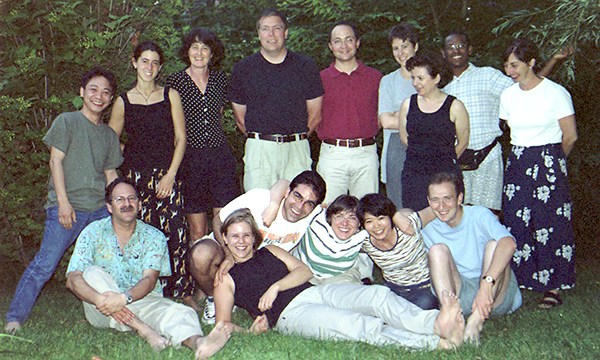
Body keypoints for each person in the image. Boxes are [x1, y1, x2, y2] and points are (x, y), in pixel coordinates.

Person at [213, 208, 466, 350]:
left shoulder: (269, 251)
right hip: (290, 315)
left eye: (246, 235)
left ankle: (435, 323)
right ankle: (431, 344)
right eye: (234, 236)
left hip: (316, 291)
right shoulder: (226, 278)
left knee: (377, 295)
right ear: (224, 238)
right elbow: (223, 323)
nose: (242, 242)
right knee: (355, 325)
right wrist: (249, 330)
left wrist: (276, 286)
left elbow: (304, 271)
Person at [4, 68, 123, 334]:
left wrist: (115, 207)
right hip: (68, 207)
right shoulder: (67, 121)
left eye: (106, 92)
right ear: (82, 92)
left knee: (111, 262)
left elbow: (111, 175)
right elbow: (55, 160)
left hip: (98, 210)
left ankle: (113, 312)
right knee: (45, 264)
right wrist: (63, 203)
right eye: (93, 89)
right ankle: (15, 318)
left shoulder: (108, 136)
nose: (98, 96)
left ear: (111, 99)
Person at [65, 178, 230, 359]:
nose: (127, 203)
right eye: (119, 199)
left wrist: (123, 299)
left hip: (142, 300)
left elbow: (150, 280)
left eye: (131, 198)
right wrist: (103, 300)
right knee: (91, 273)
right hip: (101, 308)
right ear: (109, 207)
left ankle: (199, 343)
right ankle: (145, 330)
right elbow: (73, 279)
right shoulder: (92, 232)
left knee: (182, 312)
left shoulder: (154, 236)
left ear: (139, 204)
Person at [440, 32, 571, 212]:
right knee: (456, 215)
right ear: (443, 52)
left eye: (461, 45)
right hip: (455, 160)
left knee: (487, 216)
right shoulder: (442, 86)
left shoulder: (488, 76)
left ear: (470, 49)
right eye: (450, 47)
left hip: (487, 159)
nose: (456, 50)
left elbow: (527, 87)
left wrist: (553, 61)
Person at [108, 41, 195, 305]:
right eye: (144, 61)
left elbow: (181, 138)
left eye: (155, 62)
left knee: (177, 233)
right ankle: (147, 292)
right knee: (143, 235)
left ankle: (182, 291)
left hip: (167, 175)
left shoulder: (170, 95)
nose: (150, 67)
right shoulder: (123, 101)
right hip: (135, 179)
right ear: (134, 63)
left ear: (160, 67)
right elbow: (109, 142)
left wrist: (170, 176)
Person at [188, 170, 326, 324]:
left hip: (257, 265)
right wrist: (227, 255)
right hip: (228, 247)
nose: (300, 207)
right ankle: (214, 297)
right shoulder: (260, 199)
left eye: (309, 203)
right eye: (297, 196)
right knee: (201, 254)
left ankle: (235, 301)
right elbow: (217, 221)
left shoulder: (314, 216)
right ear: (287, 192)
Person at [500, 38, 577, 309]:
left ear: (531, 62)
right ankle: (523, 280)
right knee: (516, 222)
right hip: (519, 161)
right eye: (507, 65)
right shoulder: (508, 95)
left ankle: (554, 286)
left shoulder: (556, 93)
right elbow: (512, 131)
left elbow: (570, 136)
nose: (510, 71)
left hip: (548, 161)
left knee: (550, 223)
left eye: (515, 64)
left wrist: (553, 164)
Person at [229, 9, 324, 191]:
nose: (271, 34)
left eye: (277, 28)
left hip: (297, 150)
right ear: (258, 34)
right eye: (265, 29)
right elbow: (240, 119)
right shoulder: (243, 69)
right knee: (258, 209)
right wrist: (263, 141)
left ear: (285, 32)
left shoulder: (306, 66)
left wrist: (296, 140)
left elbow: (315, 115)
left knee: (298, 209)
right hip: (260, 150)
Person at [421, 172, 522, 343]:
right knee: (437, 250)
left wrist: (486, 284)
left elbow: (509, 243)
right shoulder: (426, 227)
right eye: (435, 200)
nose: (442, 206)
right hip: (460, 293)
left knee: (494, 245)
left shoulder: (479, 214)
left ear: (459, 198)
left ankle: (476, 322)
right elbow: (399, 221)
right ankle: (451, 314)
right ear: (429, 202)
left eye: (447, 198)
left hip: (495, 293)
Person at [166, 28, 239, 244]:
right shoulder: (176, 82)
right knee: (197, 229)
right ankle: (197, 275)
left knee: (223, 222)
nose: (199, 53)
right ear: (187, 52)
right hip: (190, 159)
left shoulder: (219, 80)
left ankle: (224, 273)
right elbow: (172, 125)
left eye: (205, 48)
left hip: (220, 157)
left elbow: (218, 114)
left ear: (212, 53)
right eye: (194, 47)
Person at [382, 53, 469, 211]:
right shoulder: (408, 105)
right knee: (417, 220)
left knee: (447, 219)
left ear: (436, 78)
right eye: (413, 78)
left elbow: (463, 143)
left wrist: (443, 159)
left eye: (420, 78)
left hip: (446, 175)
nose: (415, 83)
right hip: (414, 175)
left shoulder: (455, 106)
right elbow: (404, 138)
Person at [316, 21, 382, 203]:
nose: (343, 46)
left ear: (357, 43)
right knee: (327, 212)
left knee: (367, 213)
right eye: (337, 41)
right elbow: (312, 115)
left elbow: (381, 116)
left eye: (349, 39)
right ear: (330, 46)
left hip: (366, 154)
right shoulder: (319, 79)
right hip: (332, 154)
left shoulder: (375, 78)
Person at [358, 193, 439, 310]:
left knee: (420, 311)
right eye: (369, 221)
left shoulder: (408, 226)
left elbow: (438, 209)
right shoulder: (365, 242)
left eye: (381, 218)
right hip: (392, 290)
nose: (376, 226)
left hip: (422, 289)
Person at [378, 23, 419, 209]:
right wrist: (418, 117)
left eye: (405, 46)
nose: (401, 52)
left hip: (425, 149)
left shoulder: (428, 77)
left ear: (415, 47)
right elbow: (386, 122)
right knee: (399, 209)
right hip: (395, 151)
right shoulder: (388, 81)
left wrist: (400, 115)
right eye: (395, 48)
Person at [291, 195, 365, 285]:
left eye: (352, 218)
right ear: (330, 217)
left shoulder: (361, 235)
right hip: (303, 272)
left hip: (338, 277)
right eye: (339, 216)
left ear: (359, 223)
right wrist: (273, 205)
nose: (345, 223)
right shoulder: (317, 218)